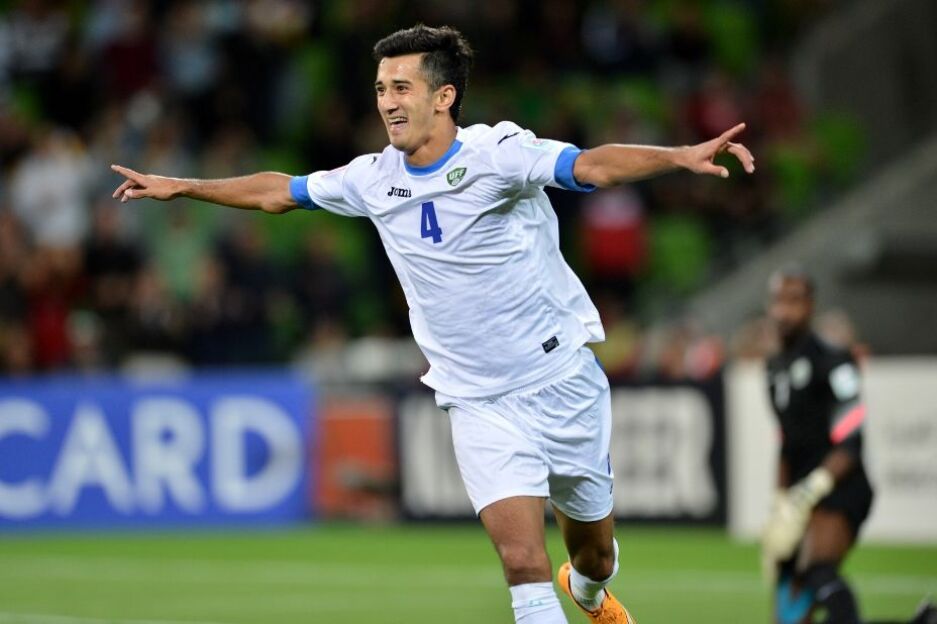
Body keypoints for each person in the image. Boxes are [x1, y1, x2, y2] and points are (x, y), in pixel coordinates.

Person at [112, 24, 754, 624]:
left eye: (402, 88)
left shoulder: (499, 154)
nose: (387, 103)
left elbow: (590, 166)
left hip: (561, 378)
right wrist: (183, 185)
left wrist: (679, 155)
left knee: (595, 556)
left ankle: (589, 590)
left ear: (444, 97)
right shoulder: (371, 178)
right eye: (380, 90)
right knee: (521, 562)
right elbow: (280, 191)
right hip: (477, 399)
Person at [761, 268, 935, 624]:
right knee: (790, 613)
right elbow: (785, 441)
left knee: (817, 569)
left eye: (794, 301)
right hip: (800, 496)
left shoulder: (834, 361)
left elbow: (852, 440)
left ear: (810, 306)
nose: (784, 311)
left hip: (841, 487)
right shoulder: (774, 367)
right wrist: (780, 503)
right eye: (778, 301)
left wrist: (810, 490)